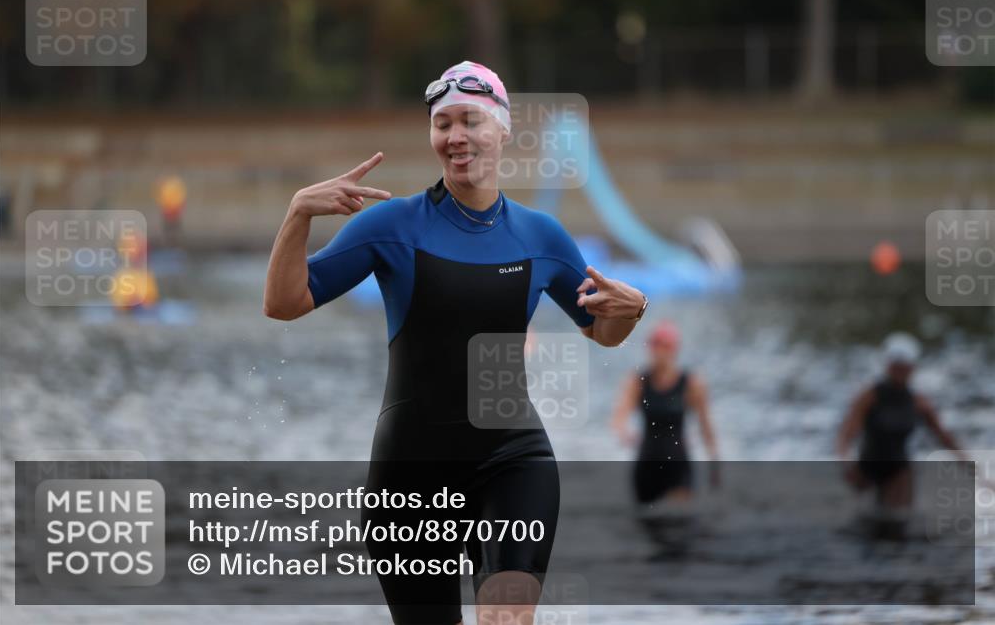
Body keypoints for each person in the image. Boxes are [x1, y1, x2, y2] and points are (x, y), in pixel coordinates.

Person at [263, 60, 648, 625]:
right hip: (410, 474)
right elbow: (284, 302)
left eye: (471, 120)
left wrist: (633, 311)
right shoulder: (392, 226)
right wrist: (298, 213)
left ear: (502, 130)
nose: (456, 136)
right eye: (443, 124)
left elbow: (601, 331)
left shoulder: (540, 236)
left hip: (513, 460)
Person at [837, 332, 961, 509]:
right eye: (896, 367)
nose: (900, 372)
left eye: (905, 367)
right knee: (864, 524)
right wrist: (846, 463)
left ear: (912, 368)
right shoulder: (869, 397)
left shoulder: (919, 402)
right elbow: (846, 436)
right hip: (867, 467)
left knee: (897, 522)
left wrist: (979, 476)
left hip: (899, 470)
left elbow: (945, 439)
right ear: (887, 365)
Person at [610, 320, 719, 505]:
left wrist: (714, 460)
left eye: (665, 346)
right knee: (648, 524)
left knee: (681, 523)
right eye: (655, 345)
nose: (660, 352)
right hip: (646, 465)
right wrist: (623, 432)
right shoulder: (638, 381)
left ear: (675, 350)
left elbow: (705, 425)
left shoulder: (691, 383)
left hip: (678, 465)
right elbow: (619, 415)